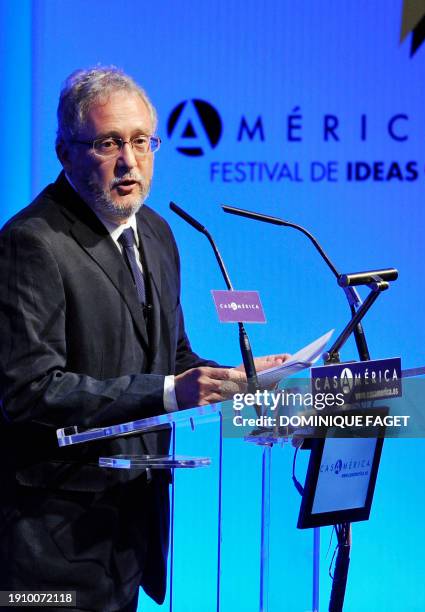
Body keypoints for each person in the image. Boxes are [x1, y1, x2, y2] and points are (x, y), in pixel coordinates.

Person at [0, 67, 287, 612]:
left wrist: (232, 381)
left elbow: (171, 358)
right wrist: (170, 392)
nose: (129, 161)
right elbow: (30, 391)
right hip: (50, 543)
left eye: (140, 141)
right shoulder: (31, 243)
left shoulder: (156, 231)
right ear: (65, 151)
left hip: (131, 528)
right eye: (108, 143)